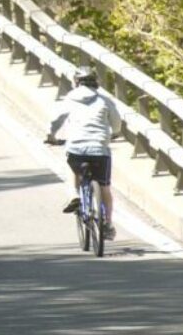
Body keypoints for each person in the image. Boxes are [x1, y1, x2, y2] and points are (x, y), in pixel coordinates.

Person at [46, 66, 122, 240]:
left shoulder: (69, 100)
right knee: (104, 187)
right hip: (100, 149)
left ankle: (74, 195)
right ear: (96, 82)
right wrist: (115, 133)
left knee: (72, 166)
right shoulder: (105, 101)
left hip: (77, 147)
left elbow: (56, 120)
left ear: (76, 82)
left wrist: (51, 136)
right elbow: (117, 124)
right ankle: (108, 224)